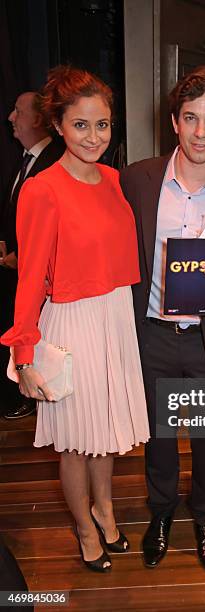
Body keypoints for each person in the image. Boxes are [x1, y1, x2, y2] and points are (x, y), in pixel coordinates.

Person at [1, 66, 150, 573]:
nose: (94, 136)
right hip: (71, 321)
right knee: (73, 439)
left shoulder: (114, 180)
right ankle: (85, 528)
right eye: (82, 125)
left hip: (115, 317)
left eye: (103, 124)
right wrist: (23, 353)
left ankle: (106, 511)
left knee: (105, 433)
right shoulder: (42, 189)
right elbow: (29, 278)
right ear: (58, 125)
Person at [120, 66, 205, 572]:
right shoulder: (137, 179)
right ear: (175, 122)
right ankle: (161, 513)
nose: (201, 132)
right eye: (191, 118)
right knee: (158, 436)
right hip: (152, 333)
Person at [0, 91, 64, 420]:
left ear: (40, 119)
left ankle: (31, 393)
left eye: (18, 111)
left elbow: (52, 229)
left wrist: (21, 256)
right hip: (17, 271)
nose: (11, 118)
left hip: (45, 282)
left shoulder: (53, 163)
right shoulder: (23, 160)